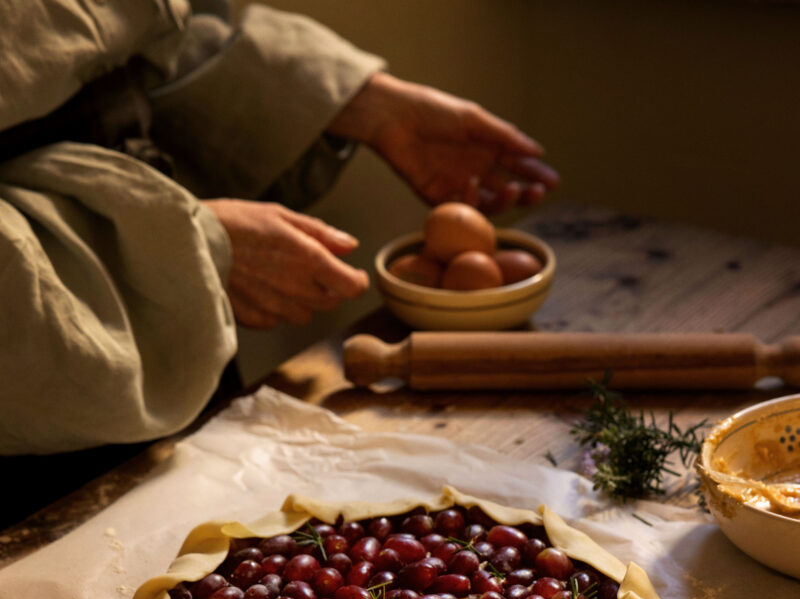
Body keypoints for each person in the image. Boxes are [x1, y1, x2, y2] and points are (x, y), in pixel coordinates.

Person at [0, 1, 558, 457]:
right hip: (48, 400)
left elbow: (113, 30)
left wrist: (345, 97)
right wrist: (173, 244)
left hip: (159, 335)